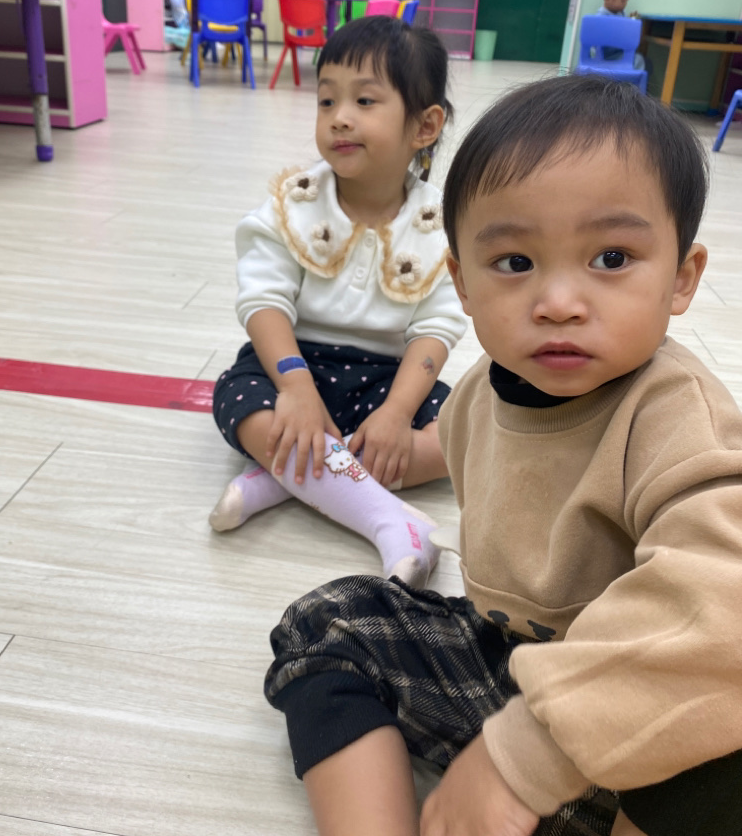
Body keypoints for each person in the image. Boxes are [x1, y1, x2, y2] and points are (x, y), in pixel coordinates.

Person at [263, 73, 742, 836]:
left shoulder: (676, 415)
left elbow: (719, 606)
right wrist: (357, 457)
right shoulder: (481, 390)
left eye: (612, 257)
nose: (559, 303)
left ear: (681, 279)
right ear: (461, 283)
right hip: (508, 663)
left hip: (633, 717)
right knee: (330, 620)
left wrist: (527, 753)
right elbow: (457, 452)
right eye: (515, 263)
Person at [209, 15, 467, 588]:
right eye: (327, 100)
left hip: (386, 380)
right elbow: (263, 299)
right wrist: (296, 387)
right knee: (239, 401)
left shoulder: (440, 224)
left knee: (462, 431)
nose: (339, 117)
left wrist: (397, 413)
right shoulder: (295, 202)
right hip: (292, 364)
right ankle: (391, 523)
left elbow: (437, 328)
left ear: (425, 126)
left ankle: (285, 477)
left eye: (364, 101)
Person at [598, 0, 646, 71]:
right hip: (606, 57)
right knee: (637, 60)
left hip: (618, 54)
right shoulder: (601, 17)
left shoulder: (620, 13)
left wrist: (632, 23)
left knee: (640, 59)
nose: (625, 4)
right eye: (623, 0)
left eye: (627, 0)